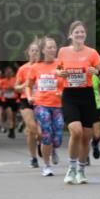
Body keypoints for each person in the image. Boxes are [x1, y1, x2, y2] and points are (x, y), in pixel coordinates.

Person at [56, 20, 100, 185]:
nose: (80, 34)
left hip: (87, 96)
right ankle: (71, 168)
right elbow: (57, 69)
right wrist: (59, 73)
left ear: (85, 35)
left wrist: (97, 72)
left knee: (86, 137)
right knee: (76, 131)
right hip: (70, 95)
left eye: (82, 32)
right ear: (70, 35)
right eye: (76, 32)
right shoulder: (63, 51)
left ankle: (81, 169)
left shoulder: (92, 53)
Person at [26, 37, 65, 176]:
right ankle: (47, 166)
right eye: (49, 47)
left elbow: (67, 82)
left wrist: (63, 92)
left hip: (58, 105)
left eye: (54, 47)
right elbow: (28, 86)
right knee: (46, 134)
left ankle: (53, 148)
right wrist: (29, 96)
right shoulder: (35, 67)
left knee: (57, 137)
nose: (52, 50)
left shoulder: (60, 64)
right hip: (41, 104)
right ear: (43, 50)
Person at [15, 41, 42, 168]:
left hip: (42, 100)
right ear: (28, 53)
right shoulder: (23, 69)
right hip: (26, 100)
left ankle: (42, 143)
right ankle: (33, 157)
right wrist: (24, 85)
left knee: (41, 131)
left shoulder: (44, 67)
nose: (35, 53)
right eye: (32, 50)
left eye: (37, 50)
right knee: (31, 129)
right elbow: (16, 87)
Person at [0, 65, 18, 138]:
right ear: (5, 73)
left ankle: (12, 129)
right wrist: (4, 90)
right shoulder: (2, 81)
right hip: (6, 100)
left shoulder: (15, 80)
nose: (8, 73)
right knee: (10, 114)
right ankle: (11, 130)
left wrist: (13, 88)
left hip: (14, 99)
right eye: (7, 72)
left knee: (14, 116)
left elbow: (18, 89)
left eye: (10, 72)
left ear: (12, 73)